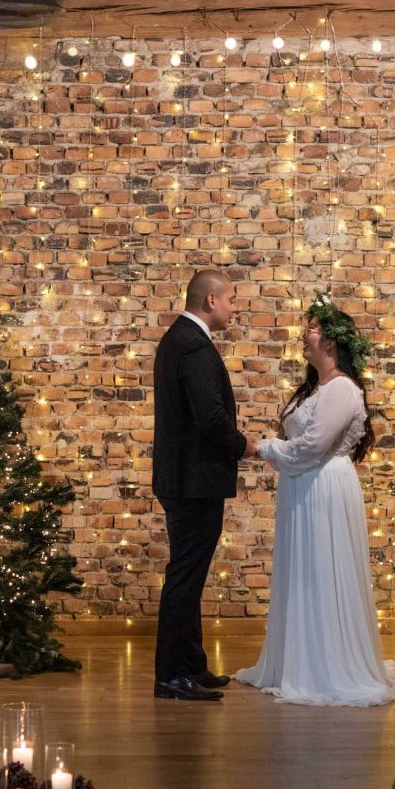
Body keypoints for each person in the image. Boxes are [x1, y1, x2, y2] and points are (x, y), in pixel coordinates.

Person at [236, 292, 395, 706]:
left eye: (311, 328)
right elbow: (299, 446)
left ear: (331, 342)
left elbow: (312, 447)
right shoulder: (314, 389)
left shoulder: (342, 390)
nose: (303, 334)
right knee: (304, 570)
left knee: (323, 570)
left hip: (324, 487)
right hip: (304, 486)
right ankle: (299, 660)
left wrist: (262, 449)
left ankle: (327, 667)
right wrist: (277, 452)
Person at [152, 269, 256, 701]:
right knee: (185, 577)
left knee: (189, 576)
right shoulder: (192, 345)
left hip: (184, 478)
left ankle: (192, 666)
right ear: (210, 300)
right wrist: (242, 446)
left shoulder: (179, 338)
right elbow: (210, 417)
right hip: (193, 481)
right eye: (231, 299)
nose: (235, 307)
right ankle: (171, 674)